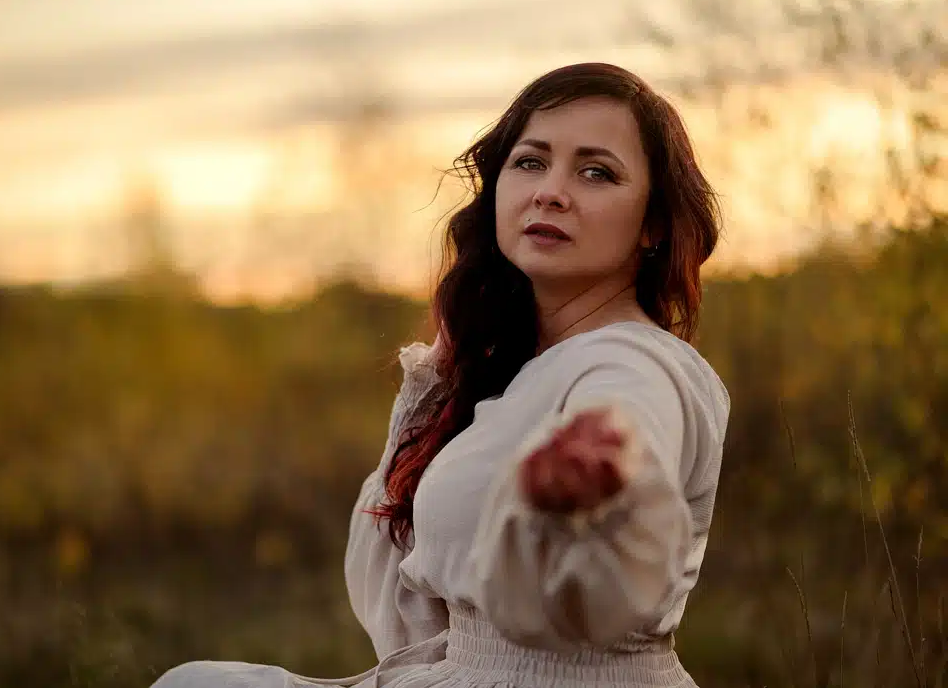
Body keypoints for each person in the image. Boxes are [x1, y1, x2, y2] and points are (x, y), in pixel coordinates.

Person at [151, 62, 730, 688]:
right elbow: (403, 595)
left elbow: (627, 436)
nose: (551, 191)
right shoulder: (516, 370)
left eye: (596, 172)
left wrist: (594, 479)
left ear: (653, 225)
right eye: (531, 161)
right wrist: (453, 364)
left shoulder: (636, 364)